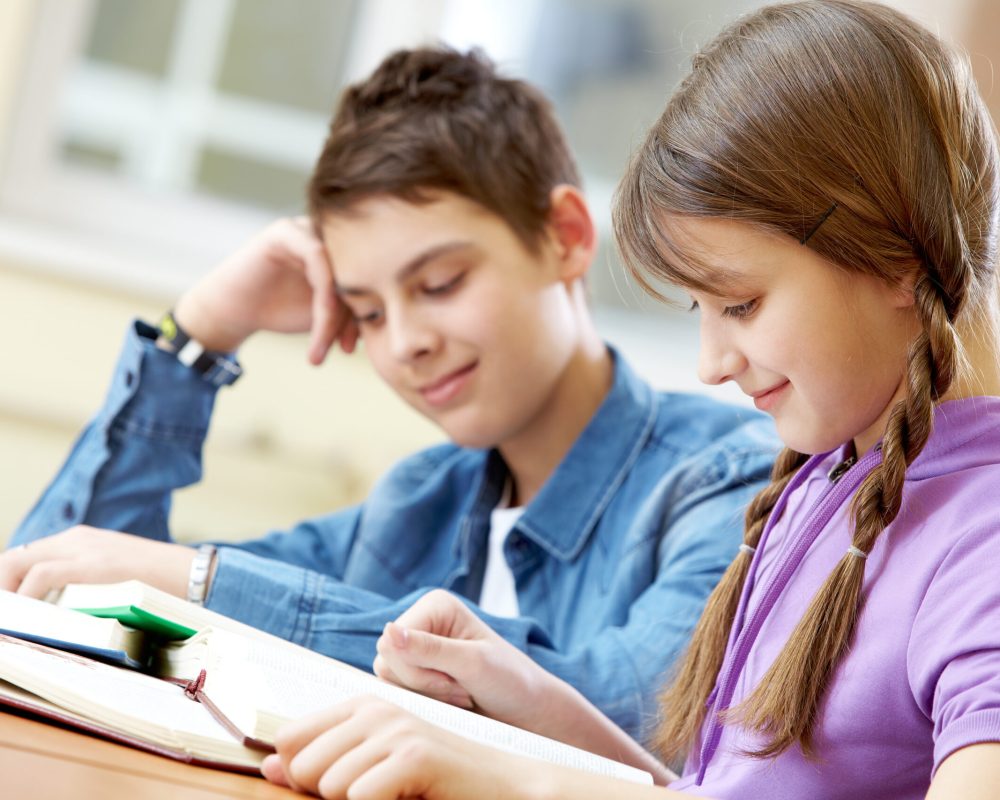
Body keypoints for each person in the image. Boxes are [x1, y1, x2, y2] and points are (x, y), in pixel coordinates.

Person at [256, 2, 1000, 798]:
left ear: (896, 255)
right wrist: (531, 703)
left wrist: (514, 783)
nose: (713, 363)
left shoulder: (979, 536)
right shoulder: (827, 481)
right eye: (701, 313)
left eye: (742, 304)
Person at [0, 47, 777, 740]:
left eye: (439, 283)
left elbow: (635, 714)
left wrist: (201, 582)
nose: (404, 342)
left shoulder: (727, 479)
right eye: (367, 311)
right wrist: (196, 338)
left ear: (566, 236)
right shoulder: (414, 504)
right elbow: (49, 600)